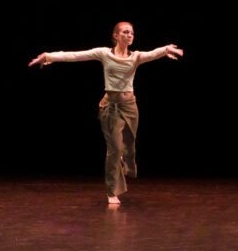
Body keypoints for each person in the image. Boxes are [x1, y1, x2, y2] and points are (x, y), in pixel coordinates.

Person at [28, 21, 184, 205]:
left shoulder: (136, 57)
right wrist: (48, 56)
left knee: (129, 145)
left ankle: (123, 162)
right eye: (125, 32)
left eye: (132, 33)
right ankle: (112, 191)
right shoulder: (103, 53)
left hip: (130, 107)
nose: (129, 35)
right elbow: (75, 55)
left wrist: (166, 49)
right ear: (116, 36)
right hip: (110, 107)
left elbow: (153, 53)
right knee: (114, 149)